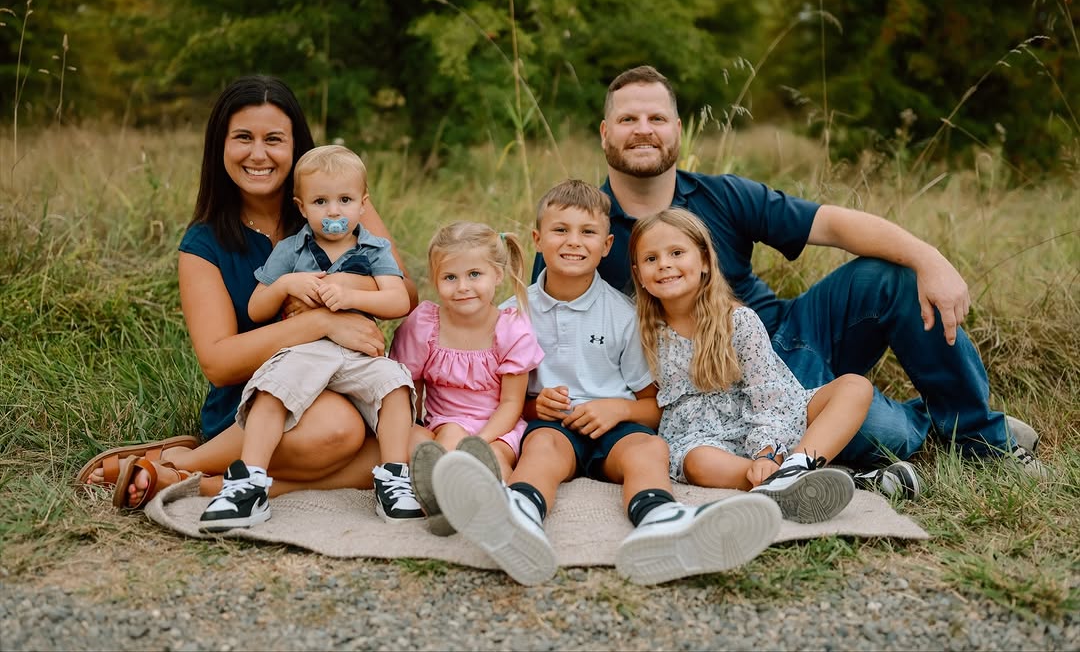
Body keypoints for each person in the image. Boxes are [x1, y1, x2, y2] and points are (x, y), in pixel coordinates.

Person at [533, 64, 1043, 476]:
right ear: (605, 133)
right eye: (627, 120)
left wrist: (929, 257)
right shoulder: (581, 231)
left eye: (657, 118)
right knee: (874, 435)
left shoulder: (723, 195)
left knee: (895, 275)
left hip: (784, 335)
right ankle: (930, 421)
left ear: (677, 131)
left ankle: (980, 437)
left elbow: (835, 225)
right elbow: (550, 331)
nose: (643, 130)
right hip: (706, 386)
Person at [77, 75, 416, 508]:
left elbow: (406, 291)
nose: (258, 154)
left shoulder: (336, 203)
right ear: (221, 145)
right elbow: (219, 363)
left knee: (421, 446)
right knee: (338, 430)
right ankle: (194, 461)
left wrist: (347, 286)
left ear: (297, 146)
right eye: (243, 138)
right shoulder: (203, 245)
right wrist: (321, 322)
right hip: (258, 400)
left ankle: (185, 476)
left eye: (274, 139)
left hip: (350, 381)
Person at [430, 180, 782, 586]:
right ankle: (519, 516)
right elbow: (505, 400)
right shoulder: (512, 314)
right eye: (560, 230)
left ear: (608, 245)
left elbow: (653, 406)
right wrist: (535, 406)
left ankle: (661, 522)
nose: (574, 242)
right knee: (541, 447)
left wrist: (619, 409)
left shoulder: (624, 315)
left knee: (651, 448)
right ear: (537, 240)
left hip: (616, 424)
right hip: (553, 427)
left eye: (588, 232)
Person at [198, 144, 420, 531]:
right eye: (321, 201)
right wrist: (285, 284)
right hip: (304, 350)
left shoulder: (373, 248)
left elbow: (399, 298)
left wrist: (351, 295)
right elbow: (256, 309)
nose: (333, 211)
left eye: (345, 200)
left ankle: (395, 478)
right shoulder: (290, 249)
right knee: (271, 389)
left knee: (395, 384)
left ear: (363, 204)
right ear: (302, 207)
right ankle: (248, 481)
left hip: (356, 352)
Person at [631, 208, 871, 523]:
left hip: (768, 416)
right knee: (699, 463)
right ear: (639, 275)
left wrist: (767, 451)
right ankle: (779, 485)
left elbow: (768, 394)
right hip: (702, 436)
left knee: (856, 387)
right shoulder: (643, 332)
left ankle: (796, 467)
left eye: (677, 252)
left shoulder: (738, 321)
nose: (664, 264)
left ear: (704, 261)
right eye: (651, 259)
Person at [389, 222, 544, 535]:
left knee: (495, 460)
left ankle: (484, 503)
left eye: (475, 274)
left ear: (497, 275)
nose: (462, 286)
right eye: (450, 277)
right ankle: (445, 499)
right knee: (414, 443)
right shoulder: (425, 324)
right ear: (435, 280)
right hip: (441, 421)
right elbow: (408, 388)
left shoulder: (511, 329)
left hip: (497, 428)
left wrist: (479, 441)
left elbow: (511, 403)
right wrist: (415, 426)